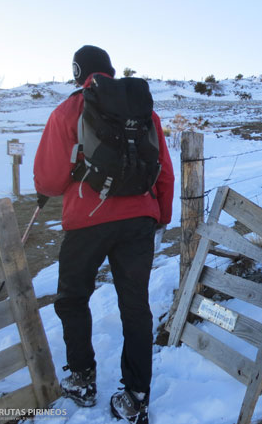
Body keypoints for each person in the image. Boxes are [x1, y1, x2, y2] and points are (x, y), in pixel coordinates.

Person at [34, 45, 174, 424]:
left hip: (87, 221)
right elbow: (163, 170)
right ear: (111, 72)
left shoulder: (68, 111)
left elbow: (48, 179)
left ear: (79, 73)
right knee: (135, 305)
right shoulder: (146, 113)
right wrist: (159, 214)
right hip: (139, 220)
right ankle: (136, 394)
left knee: (72, 298)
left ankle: (81, 378)